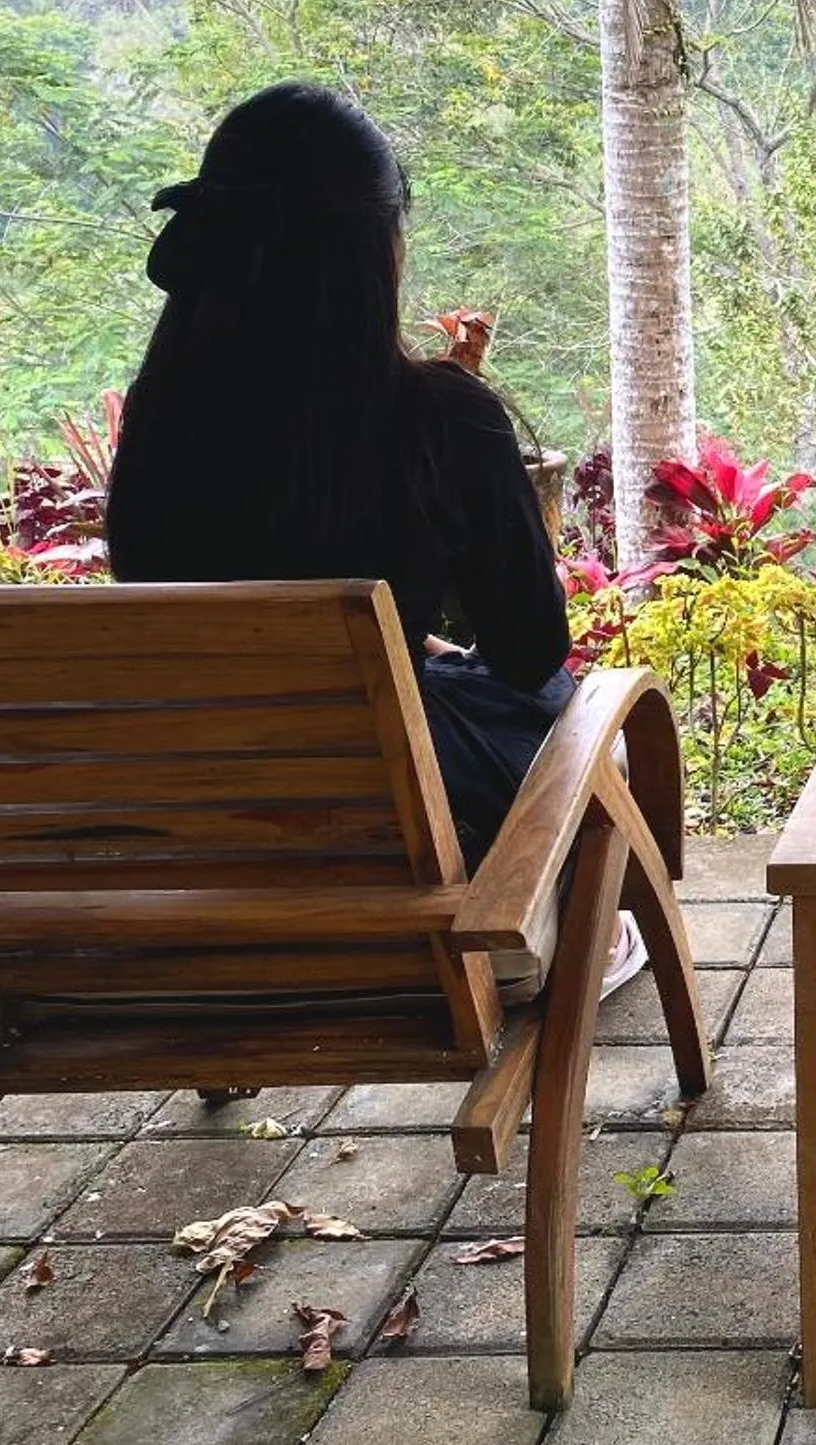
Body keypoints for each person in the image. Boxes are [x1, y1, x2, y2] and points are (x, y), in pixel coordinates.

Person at [106, 82, 646, 997]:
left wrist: (407, 645)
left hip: (216, 833)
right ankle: (544, 941)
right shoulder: (436, 416)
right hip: (390, 840)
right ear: (374, 248)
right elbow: (527, 649)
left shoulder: (163, 422)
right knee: (589, 724)